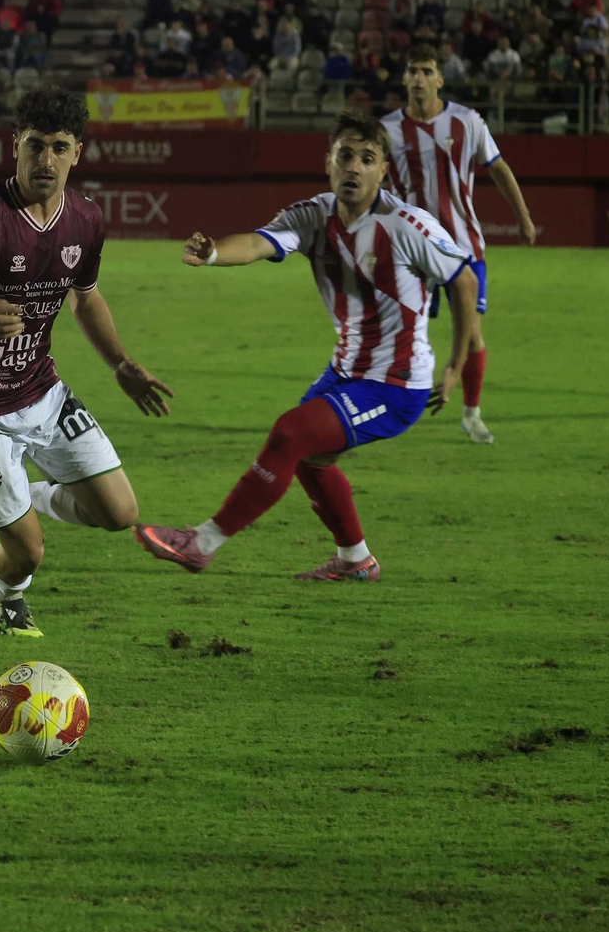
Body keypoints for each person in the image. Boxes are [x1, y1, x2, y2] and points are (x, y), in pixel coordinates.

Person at [136, 112, 479, 582]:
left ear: (383, 170)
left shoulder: (407, 226)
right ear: (329, 163)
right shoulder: (314, 215)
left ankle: (201, 543)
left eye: (367, 158)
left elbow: (463, 279)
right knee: (308, 460)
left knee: (291, 435)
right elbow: (259, 243)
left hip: (396, 386)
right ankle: (357, 560)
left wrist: (457, 363)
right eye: (345, 156)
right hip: (345, 371)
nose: (354, 167)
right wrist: (215, 253)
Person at [0, 86, 172, 638]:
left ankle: (23, 495)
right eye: (35, 146)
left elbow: (86, 295)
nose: (46, 160)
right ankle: (2, 593)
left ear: (78, 152)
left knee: (120, 513)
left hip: (41, 392)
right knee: (28, 555)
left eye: (59, 147)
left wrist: (121, 363)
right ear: (15, 146)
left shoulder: (85, 219)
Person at [380, 43, 536, 445]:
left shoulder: (466, 122)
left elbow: (497, 167)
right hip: (409, 249)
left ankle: (471, 413)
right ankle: (389, 406)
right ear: (404, 78)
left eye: (426, 71)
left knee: (472, 332)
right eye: (412, 70)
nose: (418, 78)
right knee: (395, 331)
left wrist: (523, 216)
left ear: (440, 79)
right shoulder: (386, 131)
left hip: (462, 245)